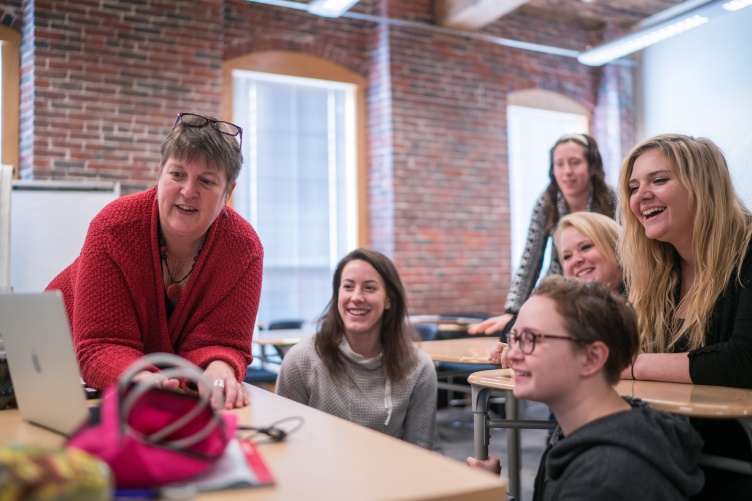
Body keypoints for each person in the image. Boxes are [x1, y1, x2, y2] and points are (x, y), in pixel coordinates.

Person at [46, 112, 263, 410]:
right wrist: (144, 378)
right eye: (177, 174)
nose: (188, 191)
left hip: (160, 394)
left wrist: (220, 369)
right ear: (159, 173)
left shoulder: (244, 249)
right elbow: (101, 345)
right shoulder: (114, 227)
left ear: (228, 192)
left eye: (207, 180)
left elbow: (223, 343)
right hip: (60, 361)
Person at [468, 276, 704, 500]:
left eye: (530, 339)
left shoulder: (607, 476)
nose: (514, 354)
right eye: (514, 338)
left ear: (592, 358)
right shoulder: (578, 437)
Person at [618, 133, 752, 498]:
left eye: (659, 180)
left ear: (704, 186)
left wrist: (633, 365)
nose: (640, 195)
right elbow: (613, 345)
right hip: (675, 451)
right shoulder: (656, 272)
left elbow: (744, 362)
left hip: (734, 459)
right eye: (633, 186)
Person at [275, 248, 437, 449]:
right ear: (337, 295)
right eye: (348, 287)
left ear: (389, 299)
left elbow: (419, 453)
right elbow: (285, 444)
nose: (357, 297)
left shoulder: (419, 367)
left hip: (390, 477)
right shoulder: (300, 360)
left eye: (370, 288)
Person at [470, 133, 615, 336]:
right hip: (562, 283)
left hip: (609, 286)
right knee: (516, 331)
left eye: (575, 163)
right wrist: (513, 311)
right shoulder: (546, 202)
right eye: (560, 164)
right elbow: (530, 258)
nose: (567, 172)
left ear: (592, 167)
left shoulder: (613, 200)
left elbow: (627, 251)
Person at [488, 211, 622, 364]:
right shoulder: (566, 310)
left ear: (616, 246)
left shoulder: (645, 300)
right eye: (567, 256)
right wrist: (516, 350)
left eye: (585, 247)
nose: (576, 260)